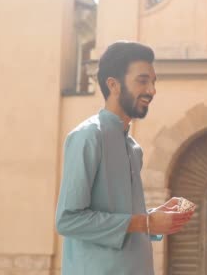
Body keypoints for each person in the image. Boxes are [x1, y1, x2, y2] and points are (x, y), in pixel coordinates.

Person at [55, 41, 195, 275]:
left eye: (153, 82)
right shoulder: (87, 138)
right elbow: (68, 220)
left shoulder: (132, 148)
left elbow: (121, 220)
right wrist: (145, 222)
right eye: (142, 81)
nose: (152, 90)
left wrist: (154, 217)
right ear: (113, 85)